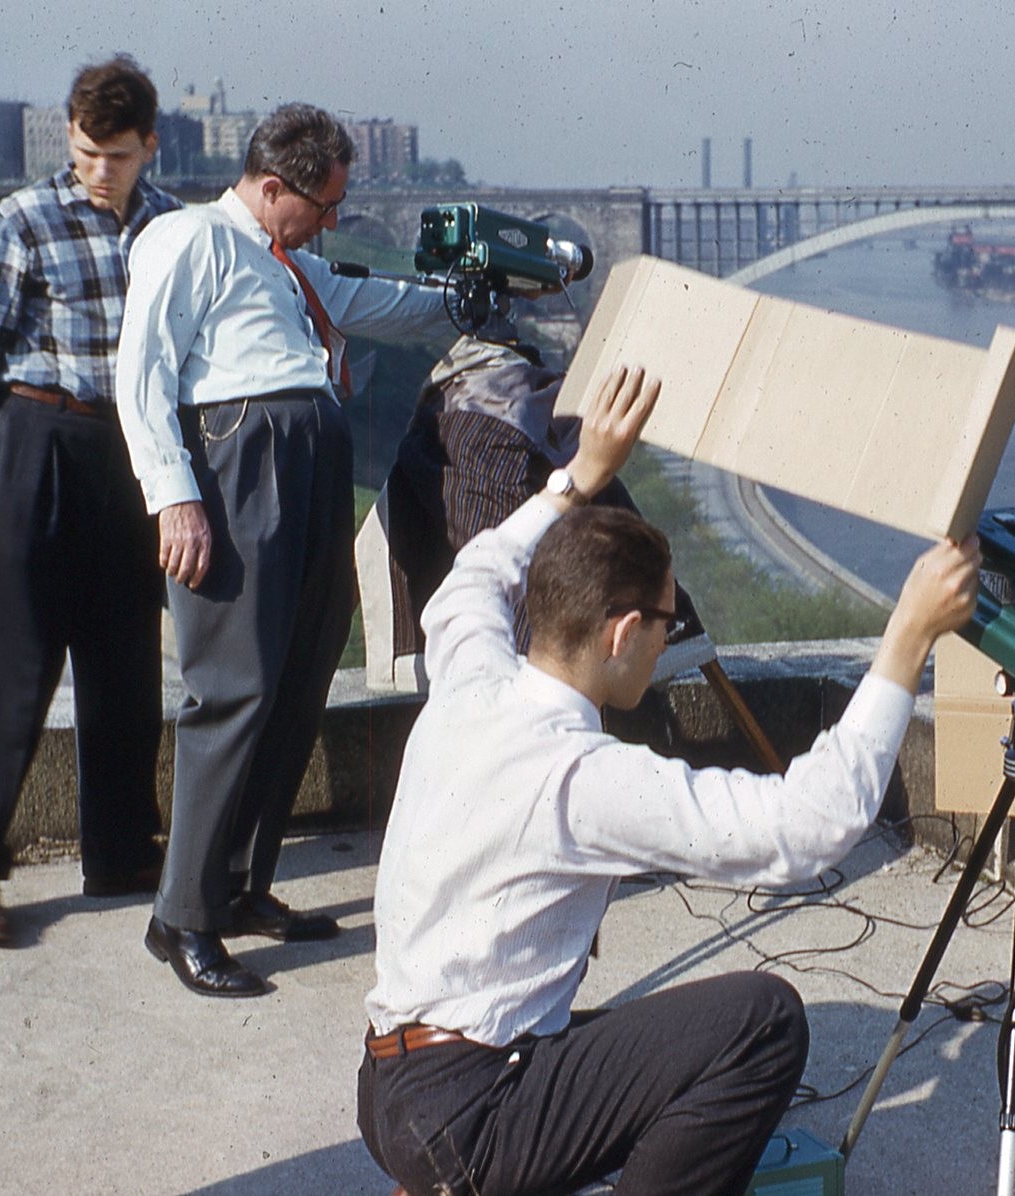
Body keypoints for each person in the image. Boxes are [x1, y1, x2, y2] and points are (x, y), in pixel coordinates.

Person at [357, 366, 982, 1196]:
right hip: (465, 1117)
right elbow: (803, 829)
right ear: (619, 633)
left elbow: (478, 571)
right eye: (662, 619)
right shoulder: (576, 777)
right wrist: (906, 640)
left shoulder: (470, 672)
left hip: (393, 1090)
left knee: (653, 1044)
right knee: (760, 1023)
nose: (667, 636)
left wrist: (577, 478)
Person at [115, 103, 445, 997]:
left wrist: (459, 304)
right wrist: (174, 497)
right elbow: (140, 369)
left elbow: (371, 302)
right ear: (271, 187)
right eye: (322, 205)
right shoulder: (188, 240)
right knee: (233, 691)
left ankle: (241, 886)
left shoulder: (288, 261)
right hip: (239, 462)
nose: (331, 221)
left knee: (297, 680)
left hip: (308, 465)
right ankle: (180, 917)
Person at [0, 55, 181, 945]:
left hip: (132, 455)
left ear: (148, 146)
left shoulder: (172, 229)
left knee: (126, 668)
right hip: (37, 441)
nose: (95, 171)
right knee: (12, 670)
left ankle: (121, 850)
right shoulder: (22, 219)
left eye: (113, 155)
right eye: (83, 152)